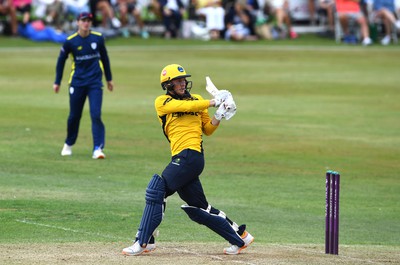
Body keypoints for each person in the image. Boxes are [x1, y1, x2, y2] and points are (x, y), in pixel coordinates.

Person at [122, 64, 254, 256]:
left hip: (190, 156)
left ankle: (143, 242)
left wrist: (219, 114)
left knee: (156, 190)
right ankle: (240, 237)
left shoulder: (198, 100)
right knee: (200, 207)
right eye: (178, 81)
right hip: (182, 158)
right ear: (168, 85)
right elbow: (185, 106)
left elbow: (207, 129)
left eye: (184, 80)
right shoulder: (163, 102)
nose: (183, 83)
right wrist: (214, 102)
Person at [53, 12, 114, 159]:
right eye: (83, 20)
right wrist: (57, 81)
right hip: (77, 82)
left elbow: (105, 58)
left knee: (96, 114)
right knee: (74, 116)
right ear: (78, 22)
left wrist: (109, 79)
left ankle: (97, 149)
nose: (86, 23)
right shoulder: (70, 41)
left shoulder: (98, 38)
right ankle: (68, 143)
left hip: (95, 83)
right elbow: (61, 61)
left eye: (89, 21)